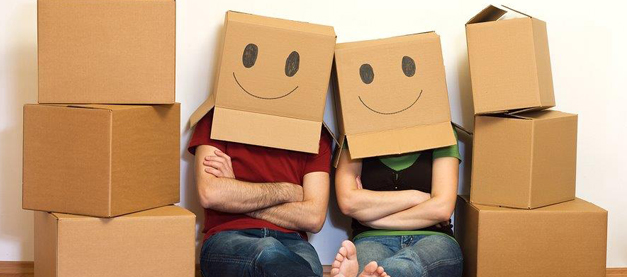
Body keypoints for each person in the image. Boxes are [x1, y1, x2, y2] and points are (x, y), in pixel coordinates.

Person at [189, 110, 333, 277]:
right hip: (228, 237)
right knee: (269, 251)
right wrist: (286, 191)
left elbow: (313, 218)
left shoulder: (315, 132)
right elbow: (210, 194)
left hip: (293, 243)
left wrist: (236, 194)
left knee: (302, 266)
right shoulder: (217, 117)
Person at [331, 130, 463, 277]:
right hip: (371, 239)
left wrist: (371, 219)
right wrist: (417, 197)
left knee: (403, 266)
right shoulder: (354, 130)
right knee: (371, 266)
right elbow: (348, 202)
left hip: (433, 238)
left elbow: (442, 209)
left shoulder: (442, 129)